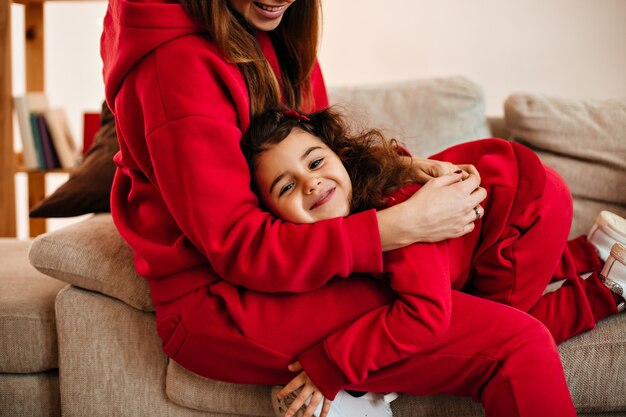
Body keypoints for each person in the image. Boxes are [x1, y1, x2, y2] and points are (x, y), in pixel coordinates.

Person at [100, 1, 623, 416]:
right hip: (226, 298)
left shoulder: (268, 25)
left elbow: (326, 149)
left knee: (495, 247)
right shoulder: (174, 67)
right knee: (516, 343)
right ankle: (597, 283)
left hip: (305, 252)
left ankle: (592, 271)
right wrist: (396, 227)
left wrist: (405, 171)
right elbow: (239, 244)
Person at [240, 106, 626, 416]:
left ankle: (608, 289)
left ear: (340, 156)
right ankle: (590, 251)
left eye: (315, 163)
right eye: (287, 186)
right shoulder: (342, 231)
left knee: (501, 330)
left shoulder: (399, 223)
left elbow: (425, 316)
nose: (310, 183)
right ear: (272, 217)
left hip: (523, 212)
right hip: (502, 205)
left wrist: (331, 363)